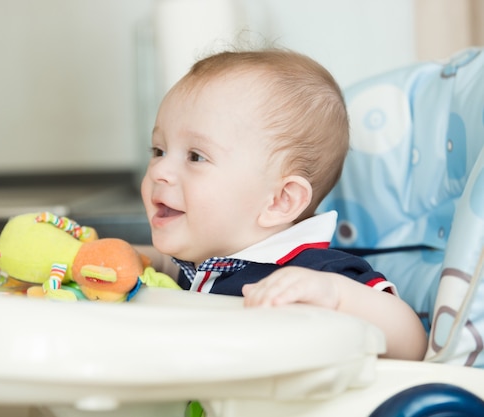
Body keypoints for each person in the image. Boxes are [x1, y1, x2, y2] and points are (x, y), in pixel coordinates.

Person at [138, 47, 427, 361]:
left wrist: (335, 295)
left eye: (196, 156)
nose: (159, 171)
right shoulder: (201, 261)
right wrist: (121, 255)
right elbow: (164, 264)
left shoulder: (313, 271)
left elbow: (411, 343)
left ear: (279, 200)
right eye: (158, 151)